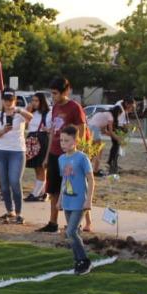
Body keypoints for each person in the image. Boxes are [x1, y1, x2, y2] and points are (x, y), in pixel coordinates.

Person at [38, 77, 87, 234]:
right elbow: (53, 132)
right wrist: (47, 156)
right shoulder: (55, 107)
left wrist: (77, 154)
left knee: (71, 189)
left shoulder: (75, 107)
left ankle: (74, 225)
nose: (53, 96)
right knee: (53, 190)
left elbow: (82, 131)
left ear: (65, 91)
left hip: (69, 156)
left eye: (55, 93)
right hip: (54, 153)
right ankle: (53, 223)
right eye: (52, 93)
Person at [55, 125, 95, 275]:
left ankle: (84, 260)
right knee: (73, 233)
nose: (63, 143)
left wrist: (88, 200)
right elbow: (64, 181)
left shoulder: (82, 158)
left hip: (79, 202)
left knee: (70, 231)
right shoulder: (61, 159)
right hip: (67, 201)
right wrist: (59, 200)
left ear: (75, 141)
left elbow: (91, 180)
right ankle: (78, 260)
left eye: (66, 141)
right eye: (61, 140)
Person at [0, 91, 32, 223]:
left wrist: (19, 110)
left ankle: (19, 213)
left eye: (11, 100)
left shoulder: (20, 114)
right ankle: (10, 211)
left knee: (15, 181)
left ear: (15, 100)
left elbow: (31, 118)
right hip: (0, 151)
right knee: (4, 184)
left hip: (17, 151)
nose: (8, 103)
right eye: (6, 100)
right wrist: (4, 130)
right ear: (2, 100)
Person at [24, 92, 52, 202]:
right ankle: (43, 193)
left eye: (36, 101)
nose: (34, 103)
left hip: (42, 140)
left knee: (41, 168)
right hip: (31, 140)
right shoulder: (32, 113)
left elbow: (53, 129)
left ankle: (35, 194)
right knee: (37, 168)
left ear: (42, 101)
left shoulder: (48, 113)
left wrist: (47, 129)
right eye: (33, 100)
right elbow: (25, 125)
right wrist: (27, 111)